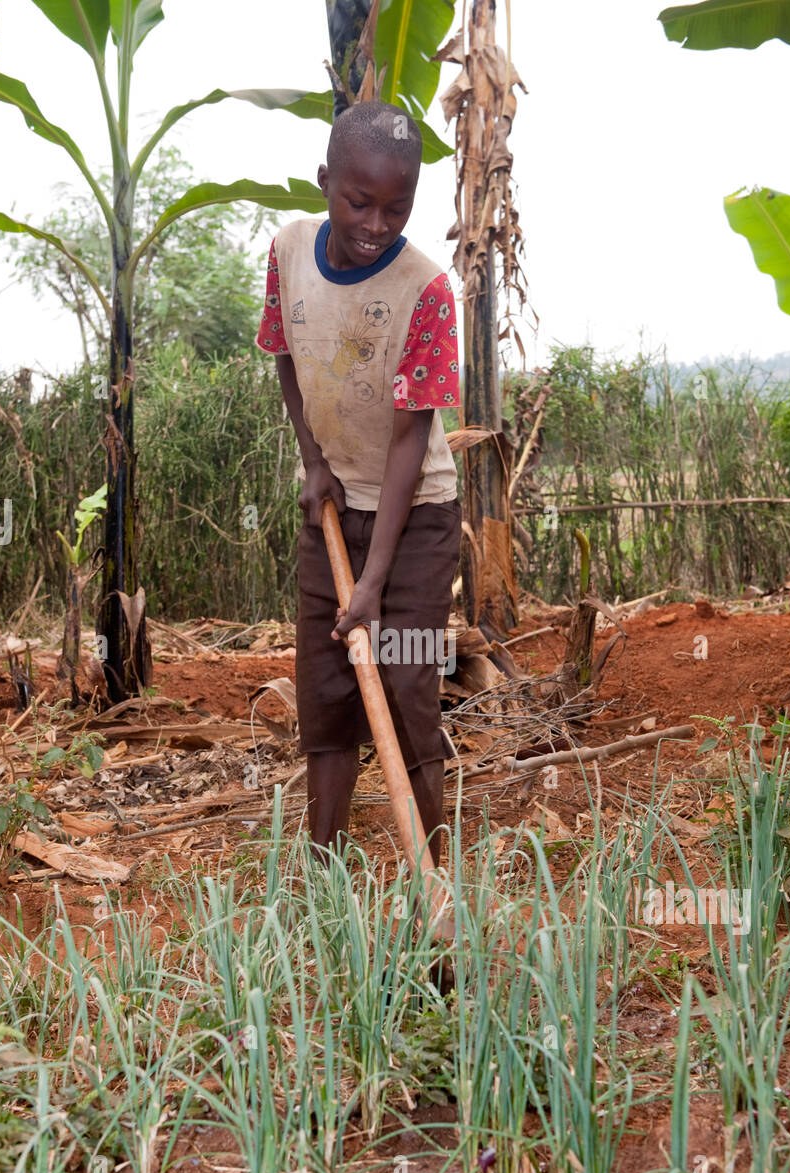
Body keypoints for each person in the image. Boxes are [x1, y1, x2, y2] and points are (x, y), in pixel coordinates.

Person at [256, 99, 461, 866]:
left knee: (407, 688)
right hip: (334, 510)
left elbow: (412, 439)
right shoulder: (288, 253)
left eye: (397, 206)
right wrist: (313, 464)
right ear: (324, 183)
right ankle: (325, 880)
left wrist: (373, 584)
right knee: (328, 696)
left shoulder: (426, 291)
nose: (377, 221)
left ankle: (431, 875)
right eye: (358, 200)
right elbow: (285, 353)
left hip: (417, 520)